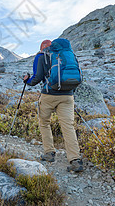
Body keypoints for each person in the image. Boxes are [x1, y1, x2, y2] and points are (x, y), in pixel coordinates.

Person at [23, 39, 83, 172]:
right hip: (67, 95)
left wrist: (27, 81)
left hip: (49, 95)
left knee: (44, 122)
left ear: (42, 47)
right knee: (68, 126)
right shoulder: (68, 55)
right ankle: (75, 159)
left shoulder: (41, 56)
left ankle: (49, 153)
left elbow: (37, 78)